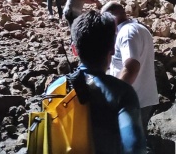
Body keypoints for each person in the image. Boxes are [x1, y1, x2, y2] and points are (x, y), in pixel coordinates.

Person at [45, 10, 146, 153]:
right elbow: (134, 147)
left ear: (74, 50)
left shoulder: (54, 89)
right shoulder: (122, 93)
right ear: (112, 48)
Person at [101, 2, 159, 136]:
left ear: (112, 17)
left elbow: (131, 67)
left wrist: (114, 97)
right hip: (143, 98)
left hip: (133, 100)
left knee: (129, 143)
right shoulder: (140, 28)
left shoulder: (126, 33)